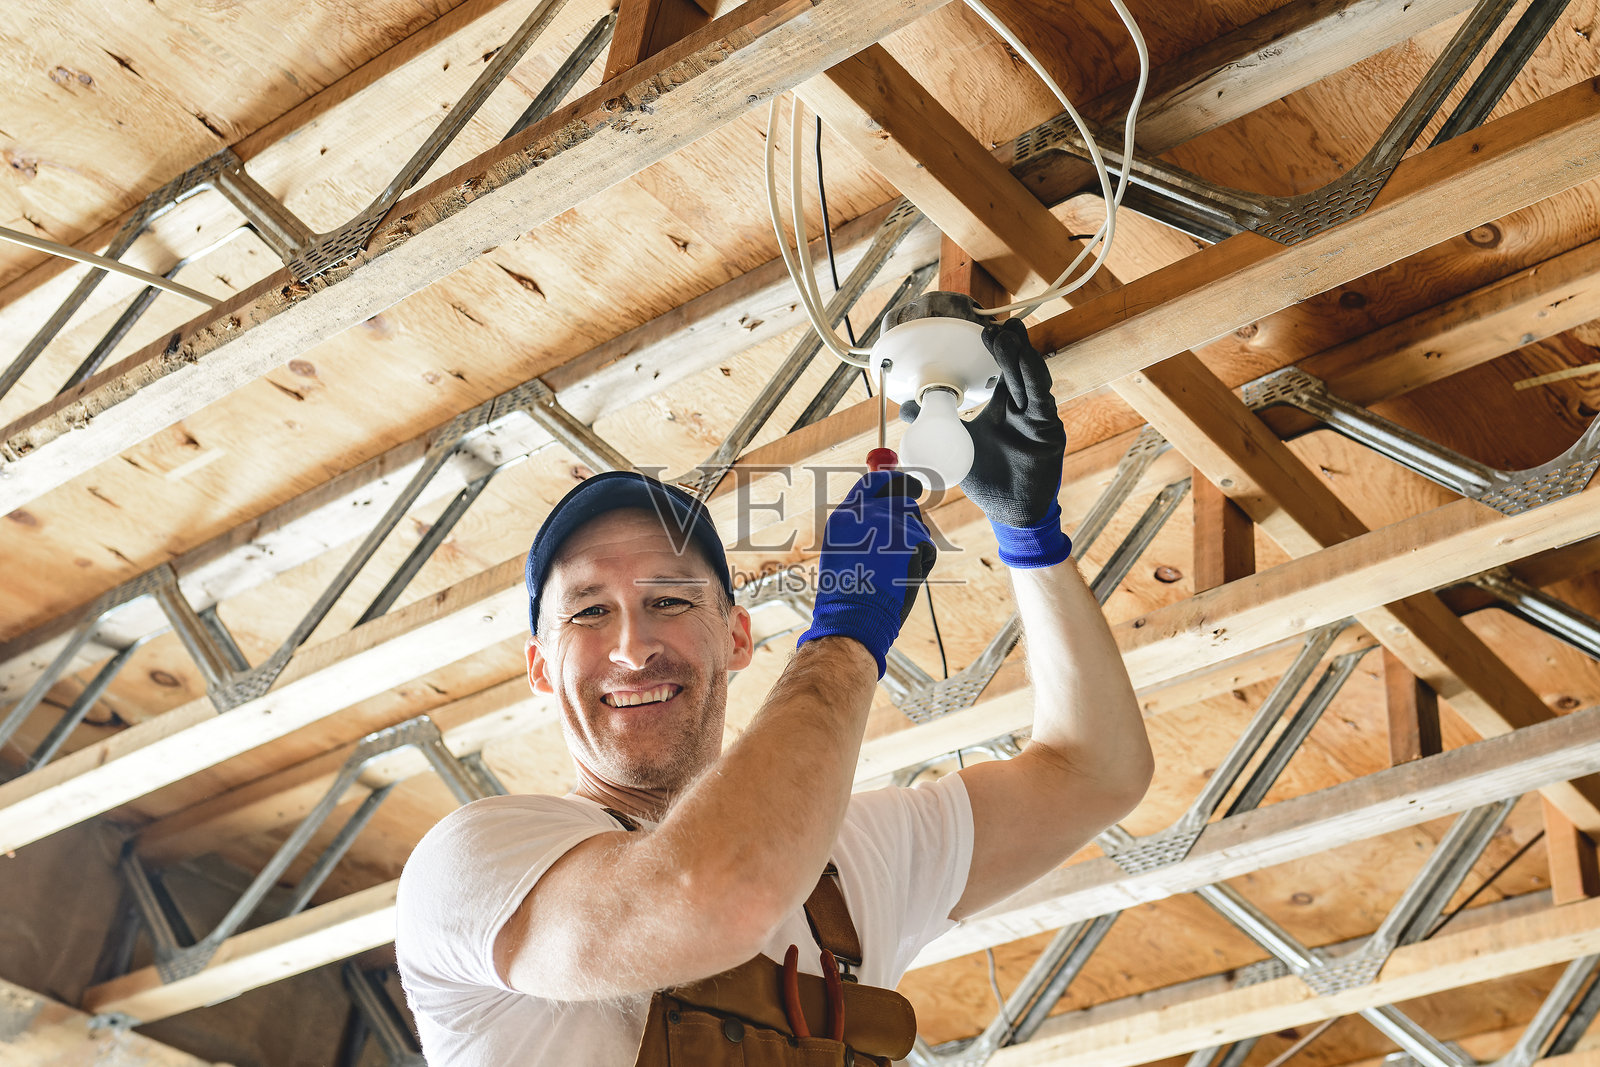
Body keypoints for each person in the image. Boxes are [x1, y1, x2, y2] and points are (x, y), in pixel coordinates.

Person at [395, 318, 1153, 1064]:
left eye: (670, 600)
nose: (632, 647)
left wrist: (1032, 538)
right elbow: (711, 892)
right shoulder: (477, 864)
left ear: (736, 638)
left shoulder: (845, 865)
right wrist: (847, 634)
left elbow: (1097, 771)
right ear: (539, 669)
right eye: (591, 611)